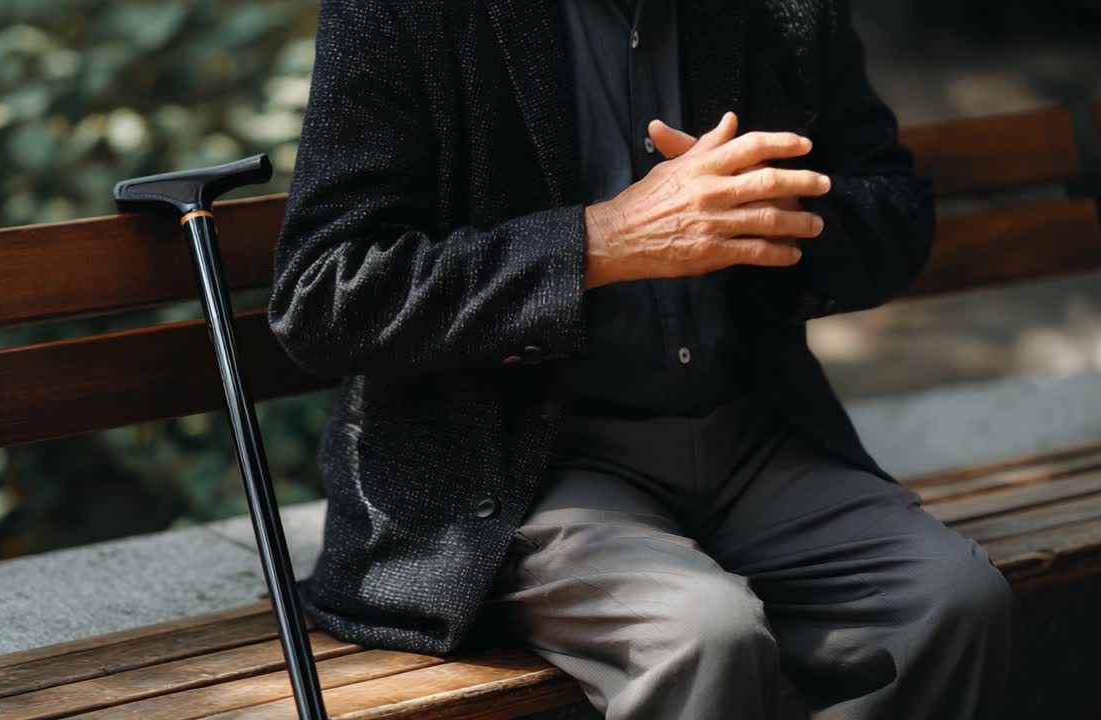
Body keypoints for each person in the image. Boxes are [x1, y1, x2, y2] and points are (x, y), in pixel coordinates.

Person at [267, 0, 1014, 717]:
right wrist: (602, 241)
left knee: (951, 601)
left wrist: (769, 209)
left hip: (752, 437)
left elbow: (897, 212)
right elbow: (327, 293)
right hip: (520, 464)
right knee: (701, 636)